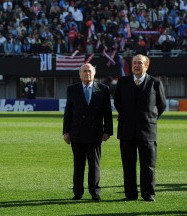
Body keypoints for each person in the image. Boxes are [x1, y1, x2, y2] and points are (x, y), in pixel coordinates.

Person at [114, 54, 167, 202]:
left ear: (146, 66)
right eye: (134, 63)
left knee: (148, 165)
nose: (137, 65)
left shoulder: (155, 83)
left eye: (140, 63)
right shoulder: (122, 82)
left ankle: (148, 194)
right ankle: (130, 195)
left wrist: (150, 119)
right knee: (128, 166)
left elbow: (161, 105)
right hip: (126, 131)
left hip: (147, 131)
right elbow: (118, 103)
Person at [63, 63, 113, 201]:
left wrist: (108, 130)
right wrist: (66, 131)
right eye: (84, 71)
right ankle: (78, 192)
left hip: (95, 134)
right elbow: (68, 112)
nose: (87, 73)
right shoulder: (72, 89)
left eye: (89, 71)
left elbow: (107, 112)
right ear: (79, 74)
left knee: (94, 165)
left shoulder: (103, 89)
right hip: (77, 134)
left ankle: (95, 192)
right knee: (78, 165)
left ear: (94, 73)